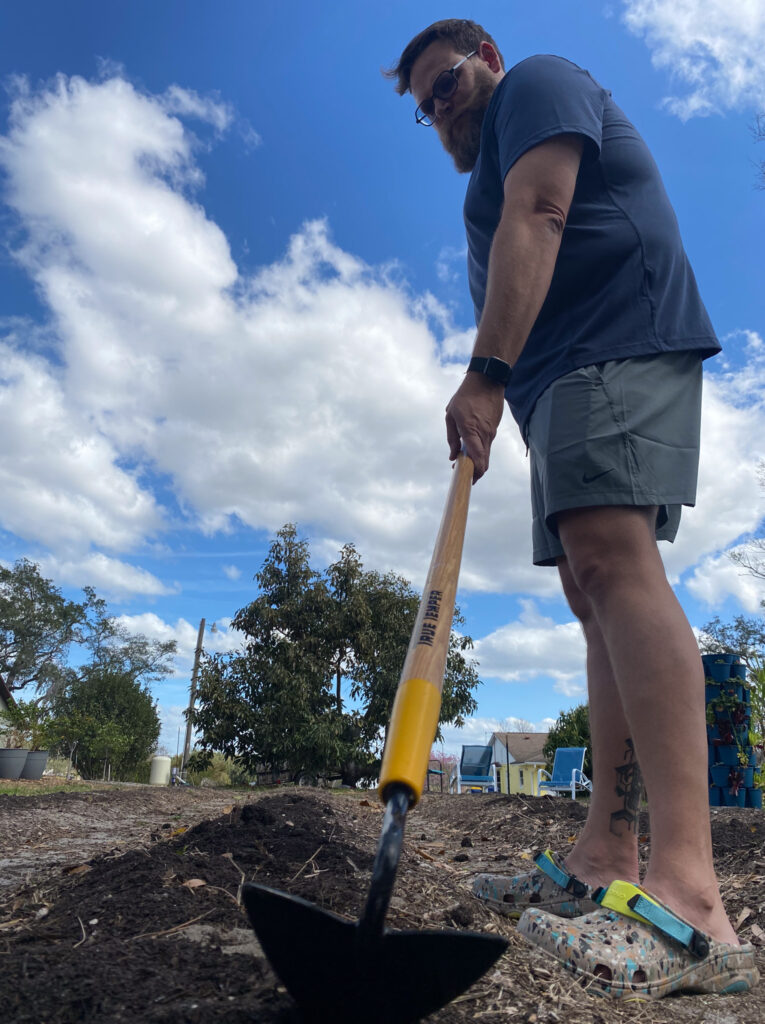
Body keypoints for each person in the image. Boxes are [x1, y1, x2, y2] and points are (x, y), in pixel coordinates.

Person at [385, 19, 758, 1000]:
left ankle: (695, 907)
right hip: (558, 383)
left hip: (613, 343)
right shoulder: (483, 162)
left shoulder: (537, 85)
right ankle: (606, 856)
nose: (440, 107)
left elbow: (545, 211)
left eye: (447, 81)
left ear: (489, 59)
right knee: (594, 597)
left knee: (615, 566)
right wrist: (510, 388)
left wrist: (486, 376)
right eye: (424, 105)